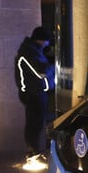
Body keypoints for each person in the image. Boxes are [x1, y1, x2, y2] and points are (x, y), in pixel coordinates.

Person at [14, 26, 55, 163]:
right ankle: (33, 153)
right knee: (34, 123)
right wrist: (54, 65)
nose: (48, 44)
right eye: (47, 41)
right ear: (42, 40)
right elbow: (41, 72)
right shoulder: (28, 52)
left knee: (37, 123)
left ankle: (34, 152)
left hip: (37, 92)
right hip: (33, 94)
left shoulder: (34, 51)